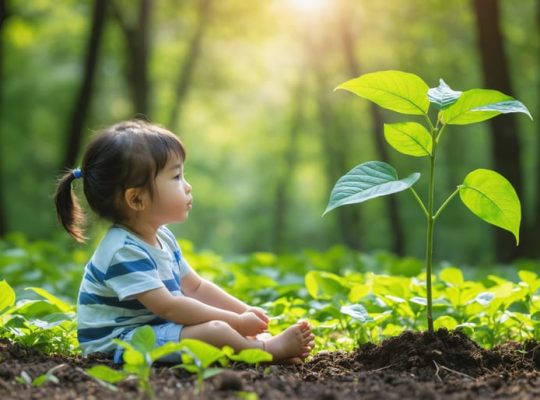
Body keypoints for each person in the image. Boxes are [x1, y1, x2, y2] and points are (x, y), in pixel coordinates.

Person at [54, 120, 314, 364]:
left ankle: (253, 343)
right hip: (120, 344)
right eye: (176, 177)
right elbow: (170, 307)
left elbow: (197, 287)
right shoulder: (122, 251)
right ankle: (266, 351)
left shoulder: (163, 236)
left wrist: (245, 311)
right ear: (136, 200)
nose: (187, 187)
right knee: (216, 331)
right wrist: (236, 321)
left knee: (220, 327)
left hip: (152, 330)